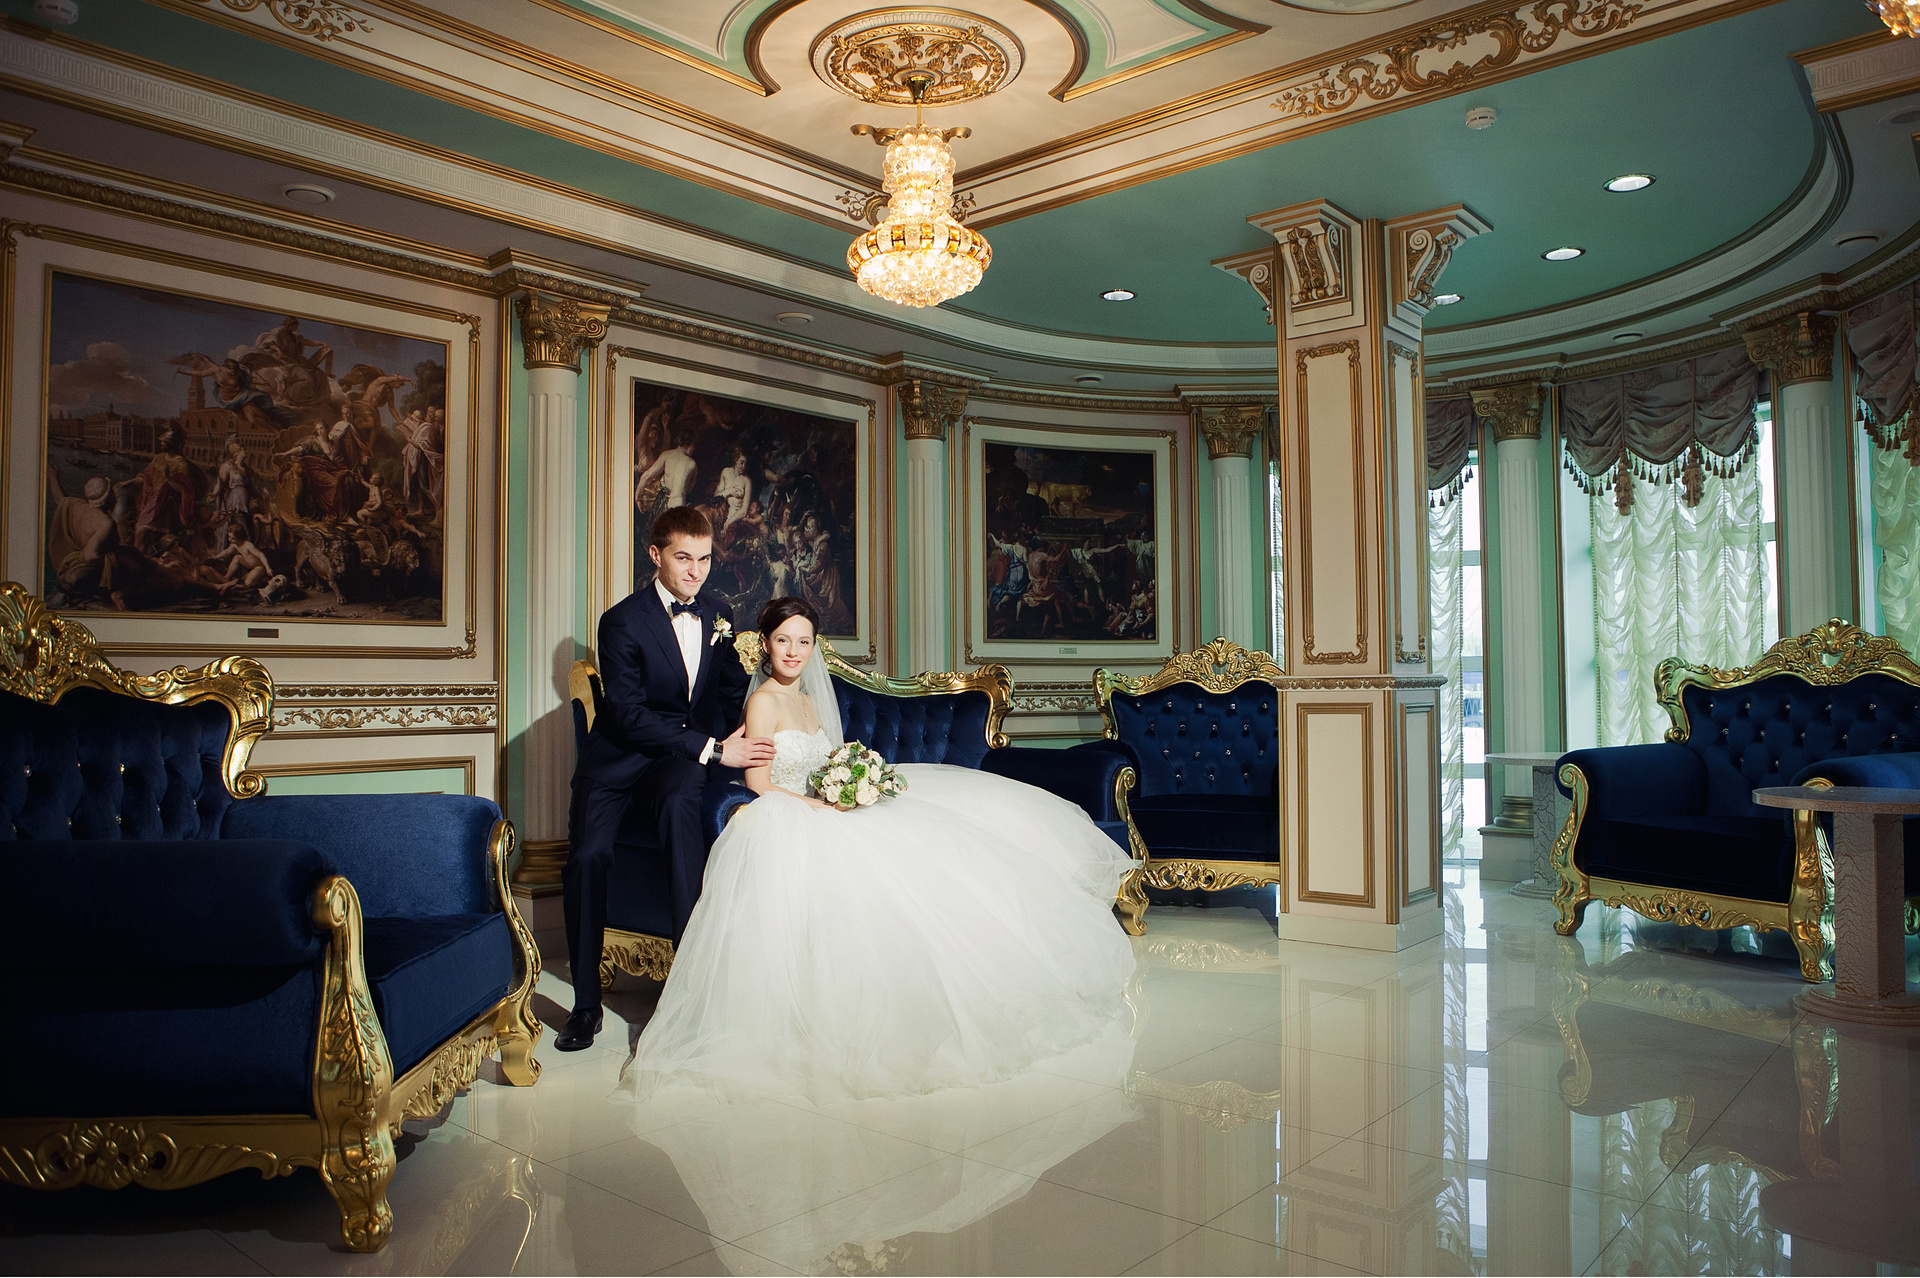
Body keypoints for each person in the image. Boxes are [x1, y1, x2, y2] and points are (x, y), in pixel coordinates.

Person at [627, 596, 1137, 1102]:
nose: (794, 651)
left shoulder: (809, 700)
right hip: (787, 815)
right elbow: (759, 783)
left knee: (931, 856)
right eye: (783, 641)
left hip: (824, 806)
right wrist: (819, 806)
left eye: (803, 641)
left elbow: (827, 761)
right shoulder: (762, 702)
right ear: (766, 644)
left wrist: (850, 785)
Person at [561, 505, 775, 1053]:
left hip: (677, 759)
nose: (696, 571)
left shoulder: (719, 613)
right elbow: (629, 716)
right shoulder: (621, 621)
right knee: (587, 857)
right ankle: (585, 1006)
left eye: (704, 559)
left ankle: (691, 993)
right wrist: (713, 749)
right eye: (684, 558)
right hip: (619, 757)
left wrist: (754, 717)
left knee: (682, 814)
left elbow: (727, 690)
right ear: (655, 555)